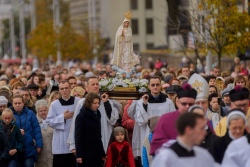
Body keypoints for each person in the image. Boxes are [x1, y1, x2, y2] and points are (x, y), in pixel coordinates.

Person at [128, 76, 175, 161]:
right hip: (146, 135)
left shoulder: (168, 102)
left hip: (163, 137)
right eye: (153, 85)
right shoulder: (141, 102)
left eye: (157, 84)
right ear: (149, 86)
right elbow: (141, 121)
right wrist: (145, 105)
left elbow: (172, 122)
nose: (155, 87)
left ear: (161, 85)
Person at [67, 76, 119, 153]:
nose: (95, 86)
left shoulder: (107, 101)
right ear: (87, 87)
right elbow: (76, 124)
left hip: (104, 137)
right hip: (87, 141)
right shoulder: (82, 103)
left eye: (97, 84)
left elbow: (112, 120)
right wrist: (73, 145)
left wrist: (106, 103)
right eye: (93, 84)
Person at [151, 112, 215, 167]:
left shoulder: (203, 155)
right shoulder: (166, 158)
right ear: (189, 130)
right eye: (202, 128)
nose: (205, 132)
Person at [150, 83, 197, 155]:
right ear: (178, 103)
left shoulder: (201, 120)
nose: (187, 107)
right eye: (184, 104)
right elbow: (156, 144)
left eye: (191, 104)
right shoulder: (165, 119)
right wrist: (178, 144)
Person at [46, 81, 80, 167]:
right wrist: (62, 117)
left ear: (70, 89)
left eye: (66, 88)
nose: (64, 90)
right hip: (60, 141)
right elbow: (49, 121)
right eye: (62, 89)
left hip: (75, 141)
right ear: (59, 90)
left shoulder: (78, 102)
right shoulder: (54, 104)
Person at [10, 95, 42, 167]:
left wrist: (39, 144)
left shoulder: (30, 113)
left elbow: (36, 129)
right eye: (15, 103)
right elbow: (5, 130)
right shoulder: (9, 114)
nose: (17, 105)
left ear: (23, 103)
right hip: (14, 149)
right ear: (12, 104)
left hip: (28, 148)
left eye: (19, 103)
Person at [75, 93, 105, 167]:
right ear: (89, 103)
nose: (97, 105)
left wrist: (102, 152)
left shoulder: (97, 114)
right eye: (95, 103)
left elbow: (98, 136)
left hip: (96, 151)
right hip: (86, 152)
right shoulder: (81, 116)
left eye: (98, 103)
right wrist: (79, 155)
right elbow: (78, 136)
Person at [35, 99, 53, 167]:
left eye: (45, 110)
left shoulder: (53, 120)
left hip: (52, 152)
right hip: (40, 154)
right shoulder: (34, 122)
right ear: (37, 111)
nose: (43, 112)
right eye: (41, 111)